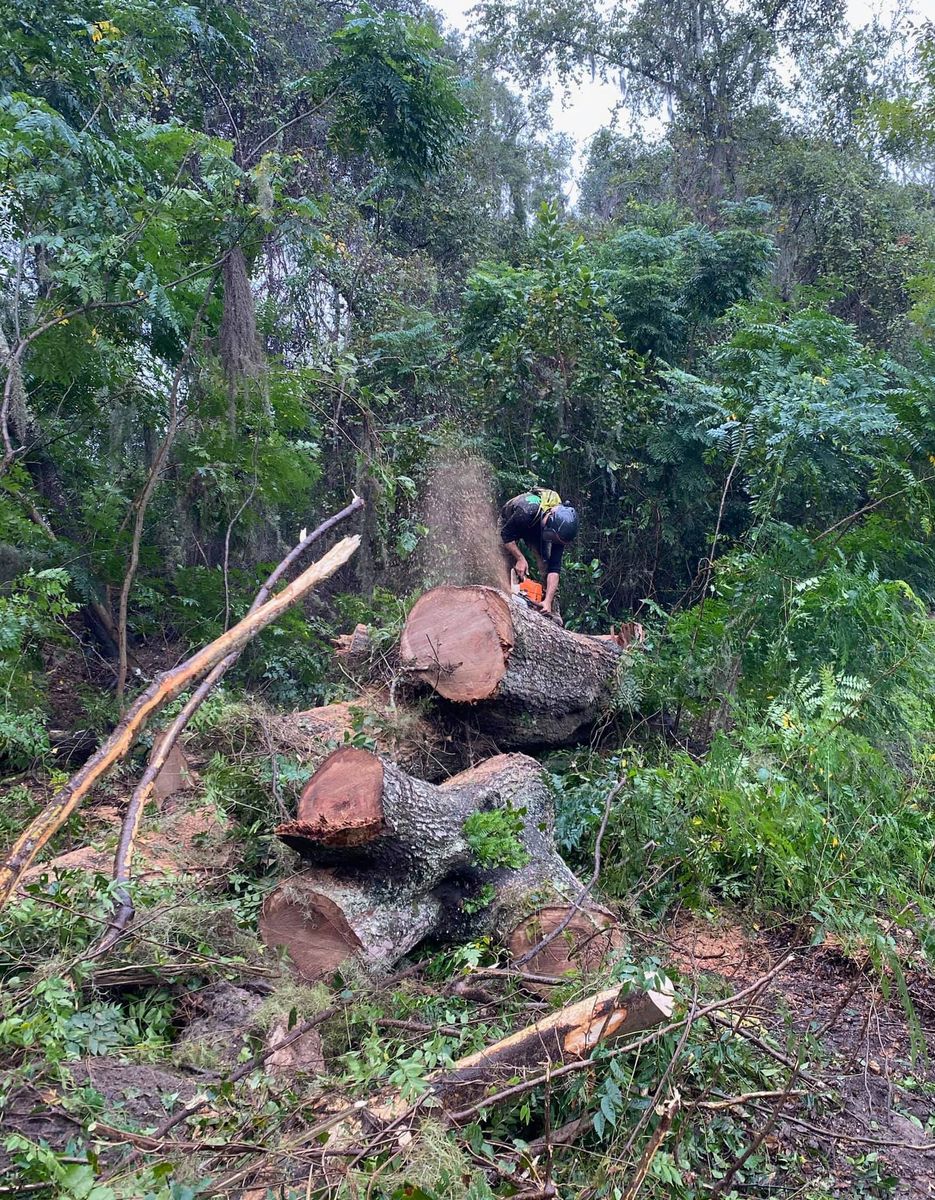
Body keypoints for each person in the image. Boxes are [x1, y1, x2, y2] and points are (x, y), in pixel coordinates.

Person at [499, 487, 578, 620]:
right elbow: (505, 535)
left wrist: (548, 600)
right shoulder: (526, 511)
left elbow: (554, 568)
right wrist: (520, 558)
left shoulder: (561, 530)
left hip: (537, 530)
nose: (552, 540)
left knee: (546, 565)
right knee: (504, 561)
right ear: (550, 516)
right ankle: (505, 601)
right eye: (551, 536)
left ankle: (550, 609)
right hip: (511, 524)